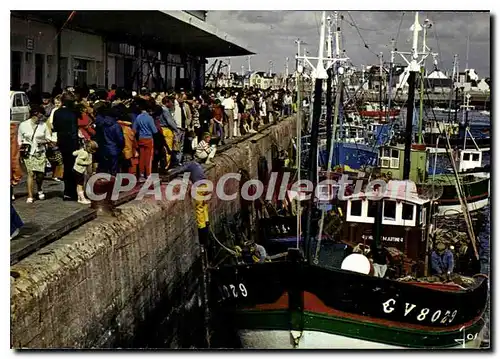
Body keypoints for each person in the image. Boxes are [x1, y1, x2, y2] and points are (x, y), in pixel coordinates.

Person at [18, 105, 51, 203]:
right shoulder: (23, 125)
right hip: (29, 153)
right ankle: (30, 195)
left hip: (40, 152)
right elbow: (19, 139)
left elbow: (48, 137)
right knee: (30, 173)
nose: (41, 118)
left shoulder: (43, 125)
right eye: (40, 115)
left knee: (40, 174)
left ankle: (39, 188)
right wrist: (21, 147)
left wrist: (44, 141)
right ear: (35, 114)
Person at [53, 92, 79, 200]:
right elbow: (74, 130)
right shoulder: (72, 113)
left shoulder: (57, 112)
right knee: (72, 167)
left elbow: (55, 127)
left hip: (61, 141)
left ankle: (67, 191)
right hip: (71, 143)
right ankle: (71, 191)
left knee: (65, 166)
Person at [176, 161, 210, 246]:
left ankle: (202, 233)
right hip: (206, 185)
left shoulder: (189, 165)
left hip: (199, 187)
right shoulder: (197, 164)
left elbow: (180, 169)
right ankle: (207, 222)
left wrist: (175, 170)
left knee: (199, 209)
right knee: (204, 205)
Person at [94, 102, 125, 176]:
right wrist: (121, 147)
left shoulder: (102, 124)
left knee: (105, 169)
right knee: (114, 170)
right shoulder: (116, 126)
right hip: (114, 149)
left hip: (104, 148)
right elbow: (120, 139)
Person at [132, 98, 158, 181]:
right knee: (149, 158)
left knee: (142, 157)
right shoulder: (149, 118)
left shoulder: (138, 117)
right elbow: (154, 130)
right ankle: (148, 174)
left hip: (140, 138)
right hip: (149, 139)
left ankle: (141, 174)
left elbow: (134, 129)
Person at [159, 96, 178, 170]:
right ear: (167, 102)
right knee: (168, 149)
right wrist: (176, 129)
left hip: (160, 129)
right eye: (171, 102)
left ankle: (161, 165)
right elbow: (170, 121)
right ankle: (165, 166)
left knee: (162, 149)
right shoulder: (165, 110)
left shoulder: (160, 108)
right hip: (166, 130)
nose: (172, 104)